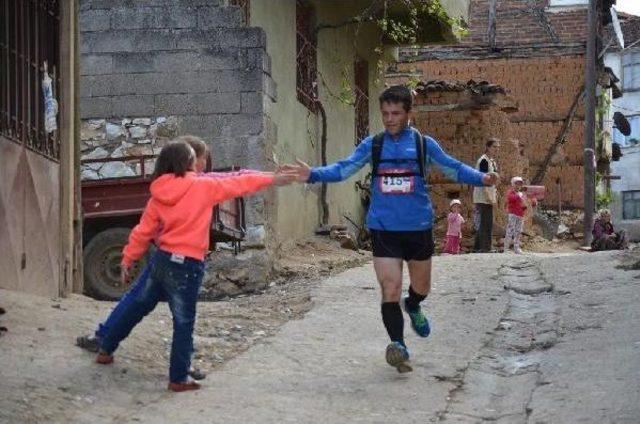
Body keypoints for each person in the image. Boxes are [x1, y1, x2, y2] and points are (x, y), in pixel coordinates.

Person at [284, 85, 499, 373]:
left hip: (418, 226)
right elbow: (344, 168)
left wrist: (481, 178)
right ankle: (398, 345)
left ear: (409, 113)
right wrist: (313, 174)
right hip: (384, 227)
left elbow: (453, 168)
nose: (389, 119)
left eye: (396, 113)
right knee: (389, 287)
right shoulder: (374, 145)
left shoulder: (424, 144)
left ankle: (413, 305)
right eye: (385, 113)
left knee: (421, 287)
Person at [93, 140, 296, 392]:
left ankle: (105, 349)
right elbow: (239, 182)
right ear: (187, 162)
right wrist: (272, 179)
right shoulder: (203, 186)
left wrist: (127, 259)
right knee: (183, 321)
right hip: (187, 266)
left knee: (136, 307)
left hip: (162, 260)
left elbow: (143, 231)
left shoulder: (158, 193)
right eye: (193, 157)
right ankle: (178, 378)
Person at [473, 138, 500, 253]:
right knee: (486, 221)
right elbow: (483, 180)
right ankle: (485, 247)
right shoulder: (483, 161)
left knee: (485, 220)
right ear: (488, 147)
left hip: (489, 194)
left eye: (498, 147)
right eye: (494, 147)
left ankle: (478, 247)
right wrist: (489, 197)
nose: (496, 149)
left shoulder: (492, 161)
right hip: (483, 196)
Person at [504, 176, 534, 254]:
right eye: (516, 184)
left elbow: (524, 203)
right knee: (510, 231)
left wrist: (525, 206)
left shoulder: (521, 194)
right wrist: (518, 196)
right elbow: (510, 198)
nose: (518, 186)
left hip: (520, 215)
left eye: (520, 184)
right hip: (513, 214)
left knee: (518, 231)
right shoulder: (511, 192)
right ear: (513, 184)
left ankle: (516, 248)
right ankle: (506, 249)